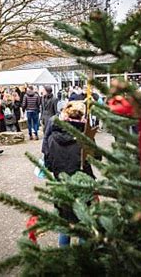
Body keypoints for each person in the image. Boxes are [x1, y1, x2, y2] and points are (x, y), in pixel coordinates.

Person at [42, 101, 95, 247]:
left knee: (66, 223)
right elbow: (96, 158)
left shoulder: (52, 137)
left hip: (61, 184)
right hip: (82, 185)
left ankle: (64, 257)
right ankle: (83, 258)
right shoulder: (83, 139)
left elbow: (48, 161)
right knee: (83, 224)